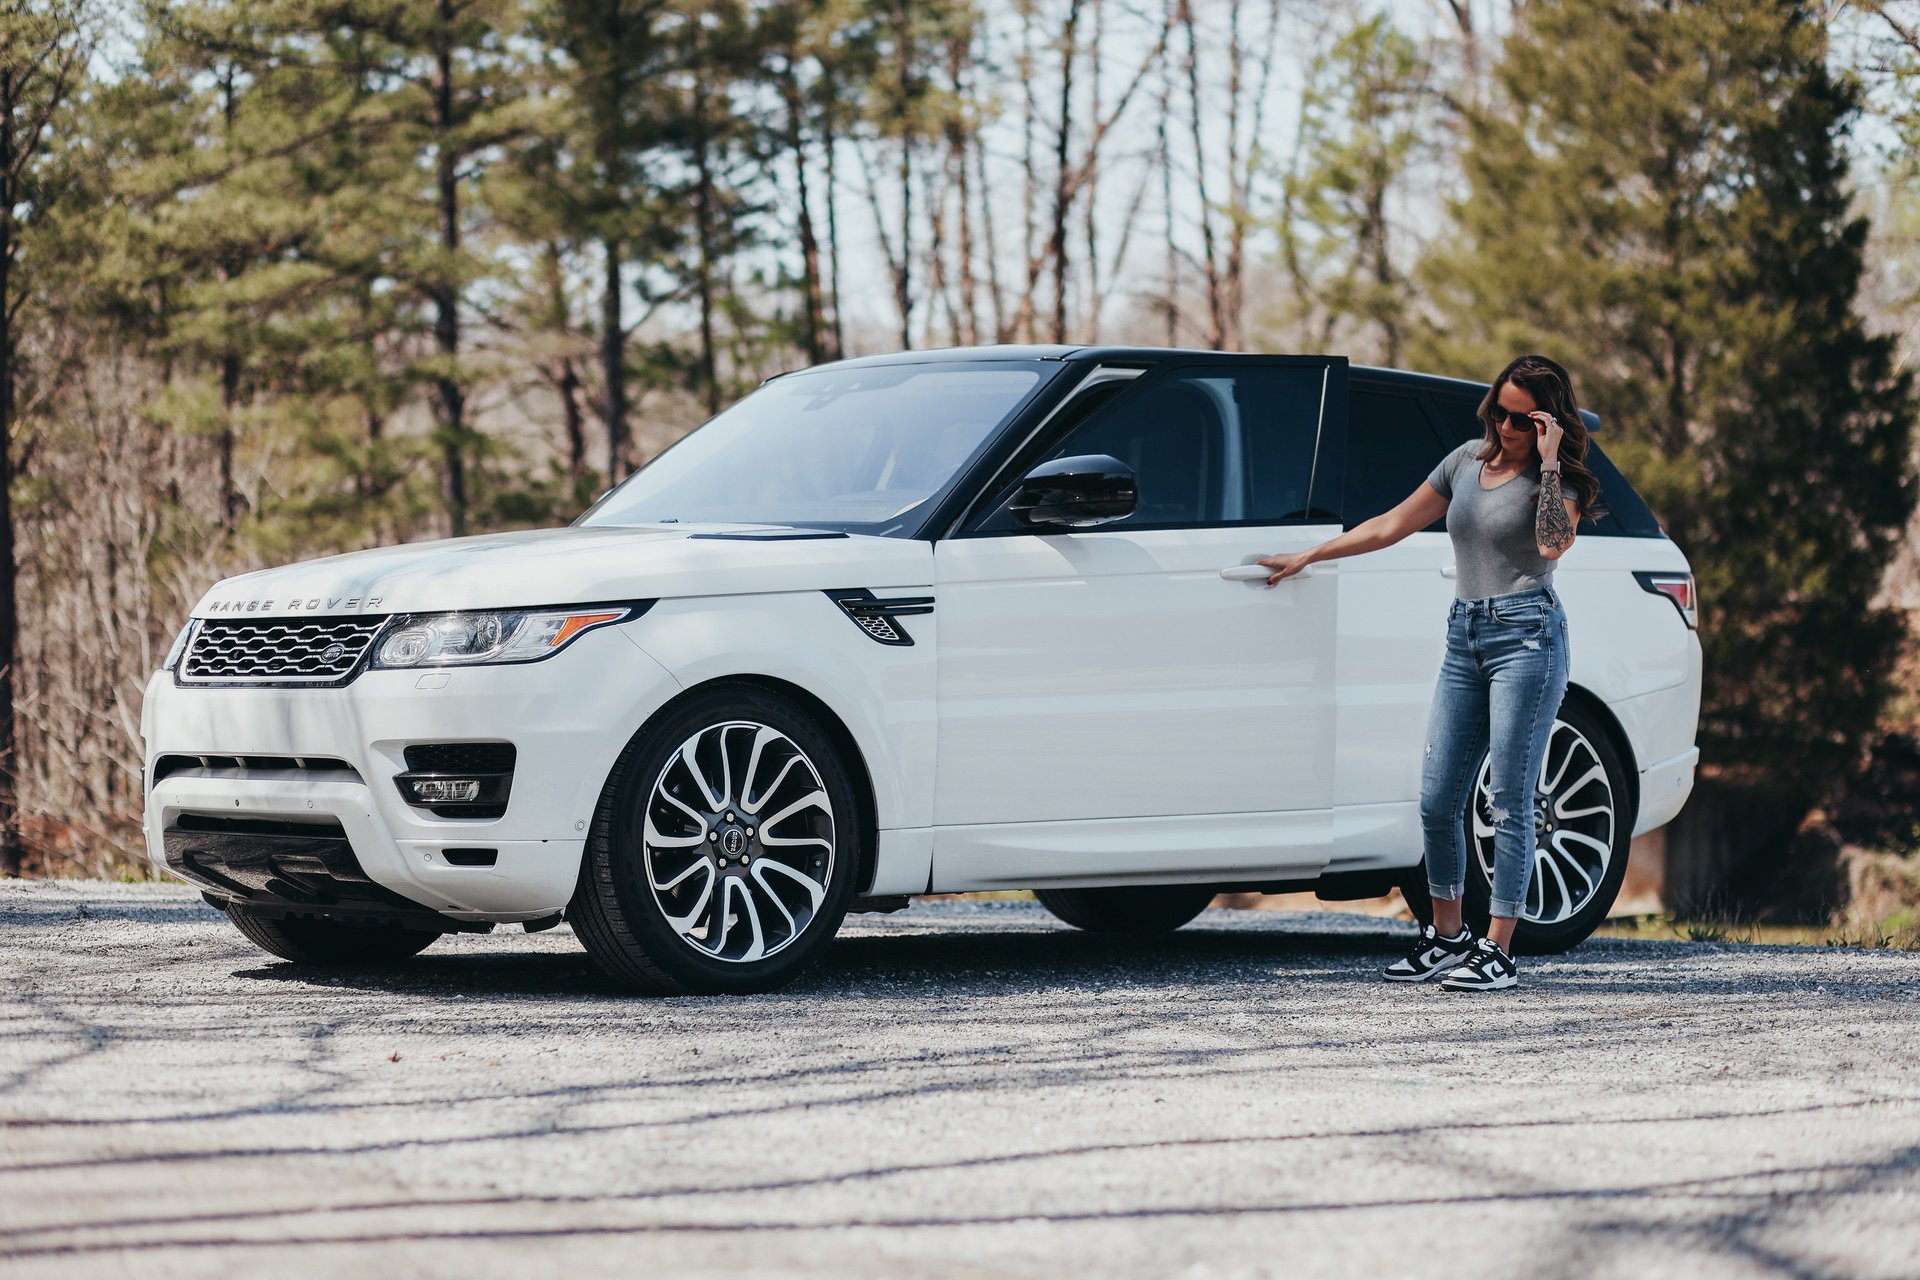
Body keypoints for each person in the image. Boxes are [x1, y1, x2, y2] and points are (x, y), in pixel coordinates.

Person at [1257, 355, 1607, 991]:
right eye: (1498, 412)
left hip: (1527, 638)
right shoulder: (1464, 463)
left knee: (1508, 800)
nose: (1505, 427)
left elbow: (1554, 546)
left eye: (1521, 420)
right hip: (1464, 635)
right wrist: (1311, 554)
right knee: (1437, 797)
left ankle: (1498, 949)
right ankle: (1448, 938)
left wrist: (1551, 462)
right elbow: (1392, 524)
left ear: (1547, 422)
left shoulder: (1563, 483)